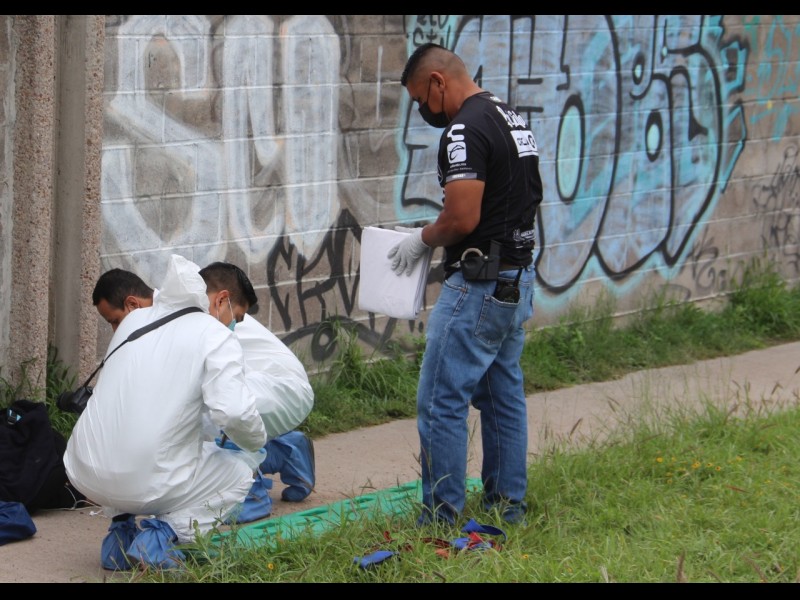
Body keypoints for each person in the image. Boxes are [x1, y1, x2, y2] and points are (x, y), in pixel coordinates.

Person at [388, 43, 543, 526]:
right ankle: (508, 507)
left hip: (478, 285)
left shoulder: (464, 129)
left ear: (438, 81)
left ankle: (441, 517)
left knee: (440, 400)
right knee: (501, 398)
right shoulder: (510, 117)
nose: (422, 110)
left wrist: (421, 238)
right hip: (516, 278)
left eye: (421, 99)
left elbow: (461, 217)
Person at [64, 254, 268, 570]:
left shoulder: (134, 321)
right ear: (222, 300)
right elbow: (234, 413)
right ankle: (158, 540)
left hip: (84, 470)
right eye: (236, 317)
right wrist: (257, 443)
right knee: (240, 473)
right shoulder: (214, 335)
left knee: (133, 438)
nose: (232, 326)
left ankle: (118, 542)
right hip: (139, 480)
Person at [93, 265, 316, 504]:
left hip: (283, 387)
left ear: (132, 305)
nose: (115, 330)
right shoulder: (166, 313)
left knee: (206, 404)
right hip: (258, 388)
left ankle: (252, 485)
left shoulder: (184, 311)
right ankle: (285, 449)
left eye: (115, 321)